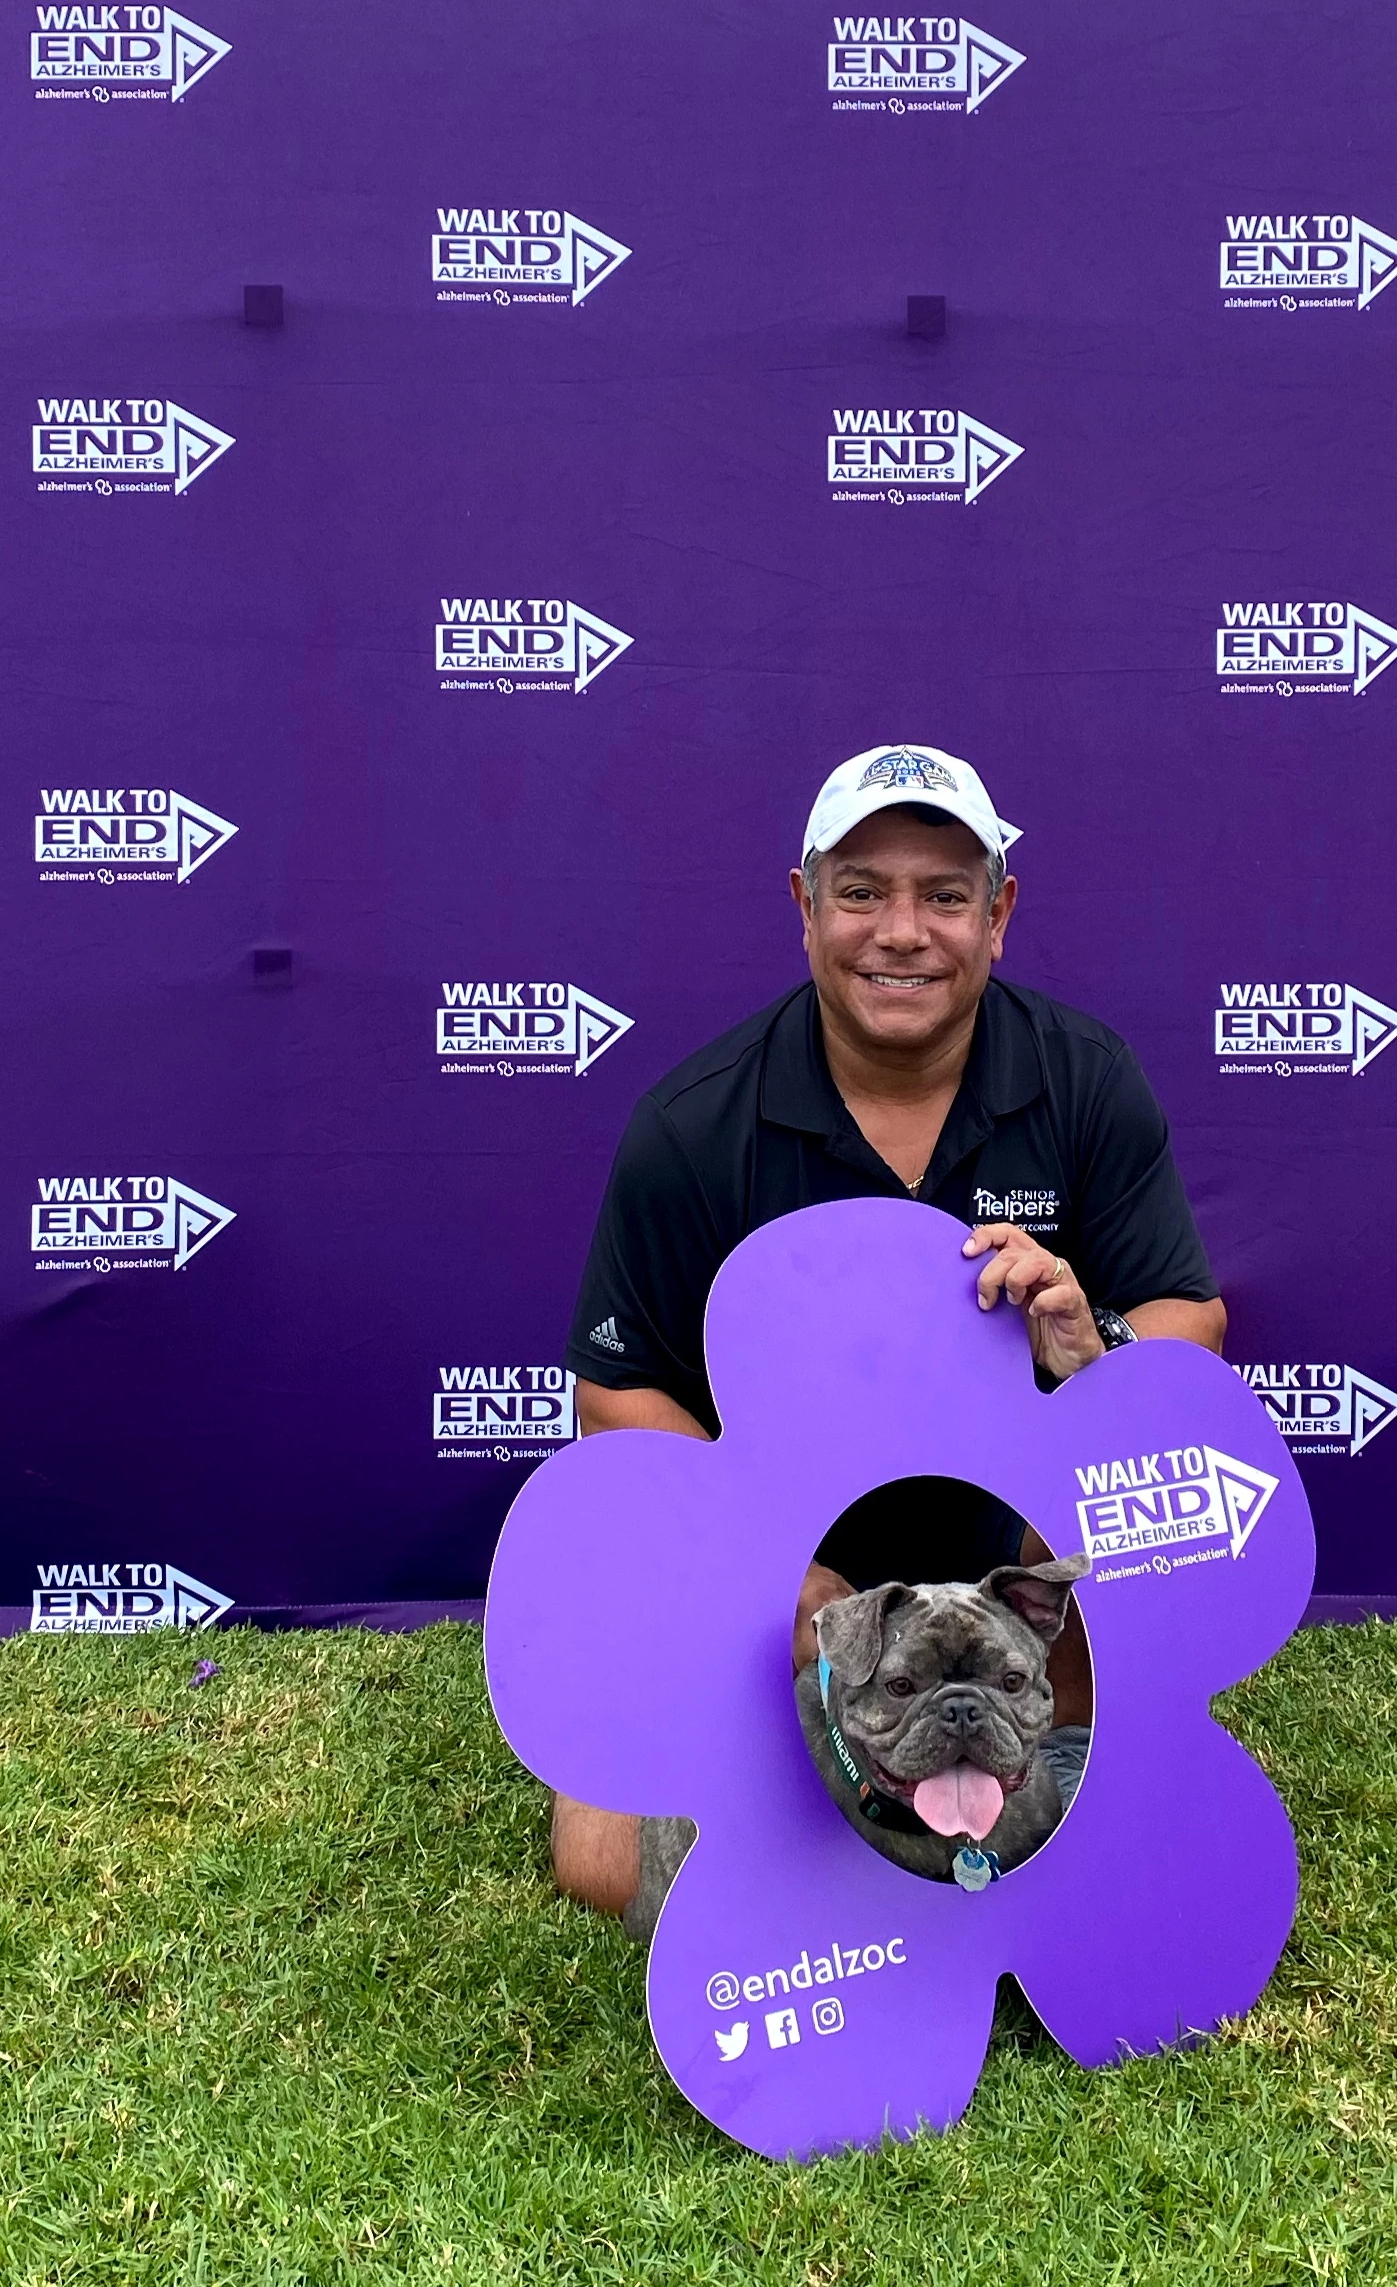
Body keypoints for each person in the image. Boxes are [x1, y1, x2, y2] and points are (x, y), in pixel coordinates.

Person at [552, 742, 1226, 1914]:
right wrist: (773, 1567)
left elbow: (1190, 1326)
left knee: (1097, 1842)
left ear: (999, 915)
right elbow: (615, 1399)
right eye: (860, 890)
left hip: (1006, 1562)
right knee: (612, 1872)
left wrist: (1094, 1345)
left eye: (944, 895)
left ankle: (1037, 1770)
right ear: (804, 907)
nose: (901, 932)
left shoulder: (1083, 1081)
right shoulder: (696, 1126)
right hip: (774, 1552)